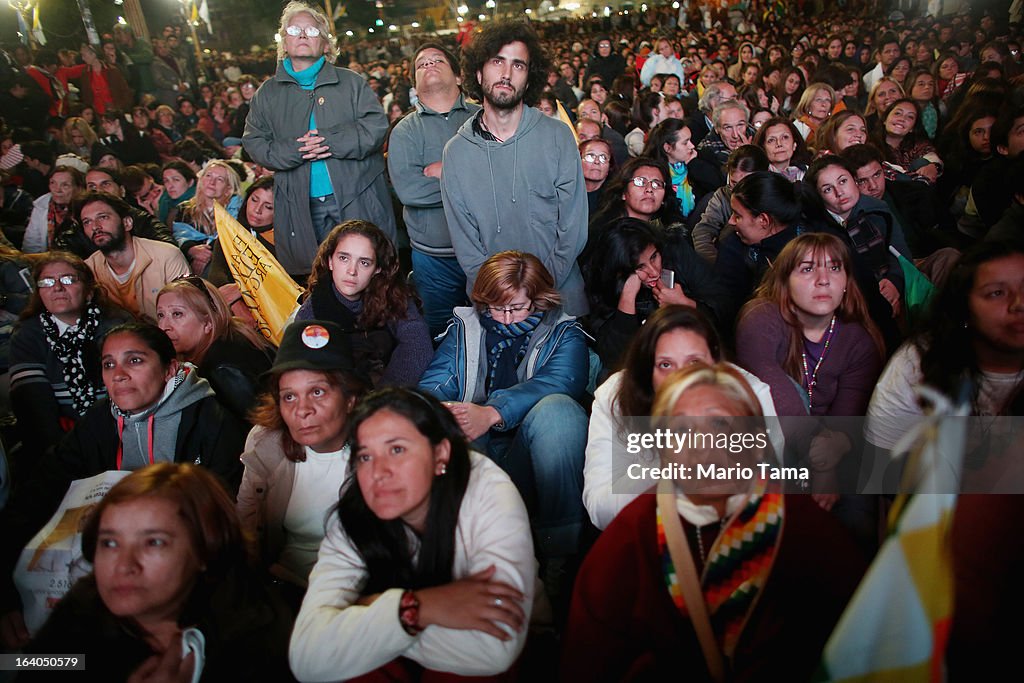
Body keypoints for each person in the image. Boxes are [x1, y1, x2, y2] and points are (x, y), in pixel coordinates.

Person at [562, 363, 866, 680]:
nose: (704, 445)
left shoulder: (804, 527)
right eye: (682, 430)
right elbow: (588, 658)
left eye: (721, 424)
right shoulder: (633, 534)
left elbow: (861, 643)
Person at [0, 323, 249, 650]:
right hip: (97, 580)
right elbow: (32, 500)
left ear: (168, 369)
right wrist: (5, 597)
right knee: (32, 662)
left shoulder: (213, 423)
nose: (118, 374)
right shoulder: (99, 423)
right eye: (108, 364)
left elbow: (223, 527)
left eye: (134, 361)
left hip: (185, 587)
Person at [289, 388, 536, 680]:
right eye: (365, 457)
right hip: (426, 652)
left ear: (440, 454)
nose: (378, 472)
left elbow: (495, 647)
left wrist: (362, 608)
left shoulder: (488, 490)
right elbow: (307, 658)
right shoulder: (358, 508)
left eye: (396, 450)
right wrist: (416, 609)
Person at [23, 463, 295, 682]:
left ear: (205, 551)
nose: (123, 565)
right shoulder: (84, 603)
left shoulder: (264, 638)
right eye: (110, 543)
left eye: (154, 542)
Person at [419, 252, 589, 585]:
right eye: (498, 308)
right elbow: (436, 384)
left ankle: (561, 557)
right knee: (453, 421)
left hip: (536, 454)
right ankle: (477, 557)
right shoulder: (464, 327)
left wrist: (493, 412)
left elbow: (561, 380)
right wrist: (440, 409)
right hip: (479, 453)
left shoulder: (564, 331)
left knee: (558, 410)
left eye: (517, 308)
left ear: (538, 300)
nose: (507, 318)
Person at [583, 305, 782, 530]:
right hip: (648, 529)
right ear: (648, 369)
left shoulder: (752, 394)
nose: (680, 379)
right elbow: (599, 510)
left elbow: (774, 488)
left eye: (694, 363)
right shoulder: (614, 397)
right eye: (665, 365)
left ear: (716, 364)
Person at [440, 19, 588, 315]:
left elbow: (574, 228)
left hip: (559, 299)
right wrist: (504, 296)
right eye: (497, 62)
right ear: (479, 72)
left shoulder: (558, 136)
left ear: (529, 78)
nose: (506, 74)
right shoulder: (455, 153)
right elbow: (466, 245)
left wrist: (535, 289)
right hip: (493, 306)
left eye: (518, 65)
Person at [243, 1, 396, 278]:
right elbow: (255, 142)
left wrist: (329, 141)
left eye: (311, 30)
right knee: (321, 279)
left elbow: (375, 127)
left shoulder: (351, 83)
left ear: (326, 44)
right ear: (284, 42)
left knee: (370, 274)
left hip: (355, 197)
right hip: (302, 205)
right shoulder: (267, 93)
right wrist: (296, 149)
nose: (302, 35)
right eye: (294, 29)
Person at [238, 320, 368, 593]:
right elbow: (245, 532)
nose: (302, 410)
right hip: (284, 589)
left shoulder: (379, 450)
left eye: (317, 392)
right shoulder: (266, 445)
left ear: (350, 399)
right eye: (289, 397)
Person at [866, 240, 1024, 453]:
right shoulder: (916, 364)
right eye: (996, 293)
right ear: (964, 308)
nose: (1019, 303)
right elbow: (881, 472)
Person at [387, 42, 480, 338]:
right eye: (420, 63)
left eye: (437, 59)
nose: (427, 64)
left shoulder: (484, 118)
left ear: (459, 77)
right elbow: (410, 191)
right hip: (434, 259)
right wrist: (471, 180)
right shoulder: (404, 131)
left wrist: (445, 172)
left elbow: (504, 178)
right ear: (414, 82)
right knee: (441, 334)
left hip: (487, 248)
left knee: (499, 323)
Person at [9, 252, 131, 456]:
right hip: (61, 447)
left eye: (68, 279)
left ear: (89, 291)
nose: (57, 287)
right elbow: (35, 410)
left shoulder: (118, 326)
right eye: (46, 282)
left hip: (121, 437)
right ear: (39, 293)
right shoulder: (28, 335)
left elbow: (133, 392)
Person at [296, 220, 432, 387]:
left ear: (377, 269)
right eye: (344, 258)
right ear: (330, 261)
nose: (352, 271)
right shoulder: (311, 312)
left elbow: (417, 345)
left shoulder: (392, 294)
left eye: (364, 263)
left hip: (387, 389)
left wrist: (384, 398)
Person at [584, 217, 723, 373]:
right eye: (640, 267)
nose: (654, 272)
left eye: (654, 257)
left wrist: (685, 304)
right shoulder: (604, 284)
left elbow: (724, 308)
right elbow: (616, 360)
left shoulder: (676, 252)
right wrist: (627, 298)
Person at [156, 277, 273, 422]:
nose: (164, 326)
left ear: (208, 322)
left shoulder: (222, 368)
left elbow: (260, 426)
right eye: (160, 315)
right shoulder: (232, 334)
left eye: (177, 314)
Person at [805, 155, 909, 319]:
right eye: (827, 189)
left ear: (854, 180)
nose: (839, 192)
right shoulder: (817, 229)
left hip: (890, 281)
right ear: (819, 197)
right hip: (854, 299)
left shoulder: (877, 208)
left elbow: (899, 251)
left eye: (843, 181)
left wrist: (894, 282)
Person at [78, 191, 191, 322]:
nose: (95, 227)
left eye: (103, 217)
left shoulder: (166, 256)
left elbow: (187, 315)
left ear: (127, 223)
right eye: (87, 222)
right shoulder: (88, 269)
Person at [691, 145, 771, 264]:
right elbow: (703, 231)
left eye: (747, 183)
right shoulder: (723, 196)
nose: (739, 190)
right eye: (734, 183)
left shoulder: (775, 196)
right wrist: (717, 264)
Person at [174, 160, 243, 275]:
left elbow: (231, 238)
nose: (212, 182)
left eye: (220, 179)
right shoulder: (185, 209)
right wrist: (191, 250)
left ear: (228, 189)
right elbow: (179, 236)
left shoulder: (236, 209)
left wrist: (206, 255)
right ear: (201, 180)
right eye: (208, 176)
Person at [875, 98, 943, 184]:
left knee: (922, 163)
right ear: (885, 120)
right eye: (897, 113)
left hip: (913, 192)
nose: (902, 119)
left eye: (910, 117)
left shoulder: (917, 145)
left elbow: (933, 157)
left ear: (913, 128)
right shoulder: (869, 143)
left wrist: (933, 166)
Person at [21, 166, 84, 254]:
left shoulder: (86, 209)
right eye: (53, 183)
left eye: (65, 185)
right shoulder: (41, 206)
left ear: (78, 188)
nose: (57, 190)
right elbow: (31, 244)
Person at [791, 83, 836, 148]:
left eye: (828, 100)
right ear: (808, 104)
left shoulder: (834, 126)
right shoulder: (797, 127)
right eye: (818, 100)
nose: (823, 104)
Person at [580, 137, 614, 216]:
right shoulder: (563, 192)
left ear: (610, 166)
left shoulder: (614, 200)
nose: (597, 161)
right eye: (590, 156)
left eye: (603, 158)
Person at [158, 159, 196, 224]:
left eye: (176, 180)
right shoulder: (164, 202)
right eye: (166, 181)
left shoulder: (198, 205)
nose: (170, 186)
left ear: (190, 182)